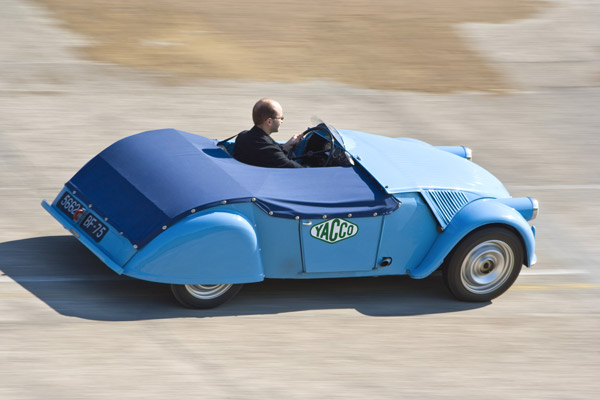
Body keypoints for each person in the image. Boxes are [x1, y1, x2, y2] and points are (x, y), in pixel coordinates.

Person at [234, 98, 303, 168]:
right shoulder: (269, 150)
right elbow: (298, 170)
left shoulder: (241, 136)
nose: (282, 121)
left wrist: (287, 145)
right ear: (269, 122)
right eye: (281, 118)